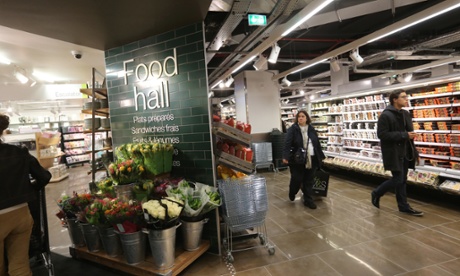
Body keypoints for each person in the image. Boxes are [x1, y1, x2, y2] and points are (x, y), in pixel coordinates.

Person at [0, 113, 52, 276]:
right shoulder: (19, 151)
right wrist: (27, 189)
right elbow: (44, 176)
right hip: (21, 214)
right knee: (20, 266)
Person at [371, 90, 423, 216]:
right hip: (393, 152)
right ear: (395, 99)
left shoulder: (406, 114)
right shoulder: (386, 115)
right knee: (398, 179)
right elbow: (382, 134)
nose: (407, 99)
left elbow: (408, 134)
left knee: (403, 180)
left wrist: (414, 151)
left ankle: (403, 206)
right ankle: (377, 192)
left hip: (406, 151)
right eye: (404, 97)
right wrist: (404, 135)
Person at [282, 110, 325, 209]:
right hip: (298, 159)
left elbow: (316, 143)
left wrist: (320, 156)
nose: (301, 118)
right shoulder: (293, 129)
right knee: (297, 178)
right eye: (299, 116)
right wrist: (285, 156)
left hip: (312, 159)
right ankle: (292, 191)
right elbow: (287, 143)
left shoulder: (311, 129)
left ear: (307, 118)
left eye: (303, 116)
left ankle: (308, 200)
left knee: (309, 180)